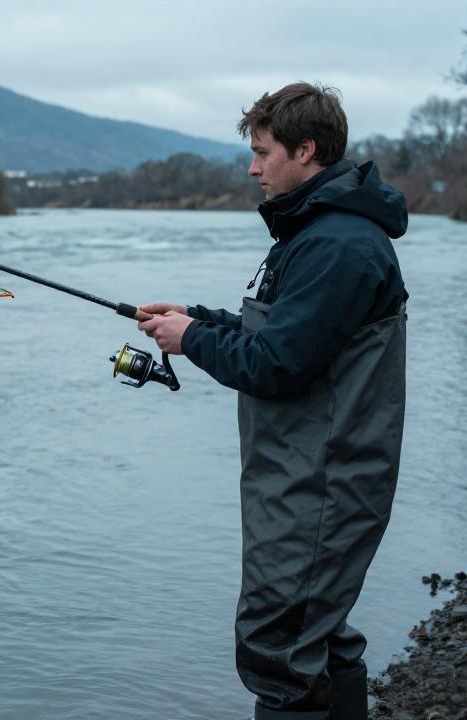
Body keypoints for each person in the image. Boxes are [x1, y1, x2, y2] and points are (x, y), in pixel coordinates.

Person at [136, 83, 408, 720]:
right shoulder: (318, 233)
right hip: (307, 474)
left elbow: (276, 364)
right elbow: (286, 335)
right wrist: (194, 319)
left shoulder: (337, 244)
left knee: (279, 643)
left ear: (305, 150)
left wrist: (193, 339)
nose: (252, 168)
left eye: (262, 153)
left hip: (322, 480)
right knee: (319, 629)